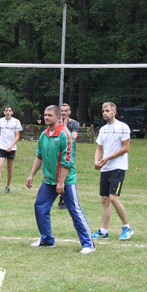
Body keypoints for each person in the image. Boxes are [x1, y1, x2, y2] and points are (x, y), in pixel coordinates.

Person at [26, 105, 95, 254]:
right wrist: (31, 175)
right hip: (48, 181)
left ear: (58, 117)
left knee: (74, 210)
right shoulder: (44, 135)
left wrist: (61, 182)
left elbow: (67, 161)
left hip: (66, 181)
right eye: (45, 115)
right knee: (40, 207)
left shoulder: (65, 134)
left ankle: (88, 244)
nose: (46, 117)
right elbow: (39, 156)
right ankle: (47, 240)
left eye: (49, 115)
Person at [91, 102, 134, 240]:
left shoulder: (123, 127)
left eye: (107, 110)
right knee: (105, 199)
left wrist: (107, 158)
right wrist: (97, 161)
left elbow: (125, 148)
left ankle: (127, 227)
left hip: (118, 168)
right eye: (103, 111)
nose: (105, 113)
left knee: (114, 198)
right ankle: (104, 231)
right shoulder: (103, 129)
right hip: (106, 168)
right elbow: (99, 148)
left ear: (114, 112)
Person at [0, 105, 22, 196]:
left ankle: (8, 186)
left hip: (11, 148)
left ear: (12, 112)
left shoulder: (16, 122)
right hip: (1, 147)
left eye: (9, 110)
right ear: (4, 112)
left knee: (9, 168)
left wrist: (11, 146)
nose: (8, 112)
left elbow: (17, 136)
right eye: (6, 110)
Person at [58, 104, 80, 209]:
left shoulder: (74, 123)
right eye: (61, 110)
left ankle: (65, 199)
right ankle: (61, 197)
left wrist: (65, 126)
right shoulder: (56, 123)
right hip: (57, 152)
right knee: (58, 174)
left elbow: (73, 138)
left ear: (69, 112)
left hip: (69, 153)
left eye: (65, 111)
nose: (63, 112)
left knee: (67, 175)